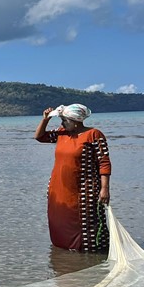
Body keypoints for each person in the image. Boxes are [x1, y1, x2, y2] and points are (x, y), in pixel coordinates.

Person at [35, 104, 111, 252]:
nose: (62, 123)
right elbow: (40, 137)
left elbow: (104, 162)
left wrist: (104, 189)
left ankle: (92, 257)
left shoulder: (94, 134)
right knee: (60, 220)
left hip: (84, 190)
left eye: (64, 120)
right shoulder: (62, 133)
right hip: (59, 188)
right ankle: (64, 255)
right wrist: (45, 119)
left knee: (87, 224)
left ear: (75, 121)